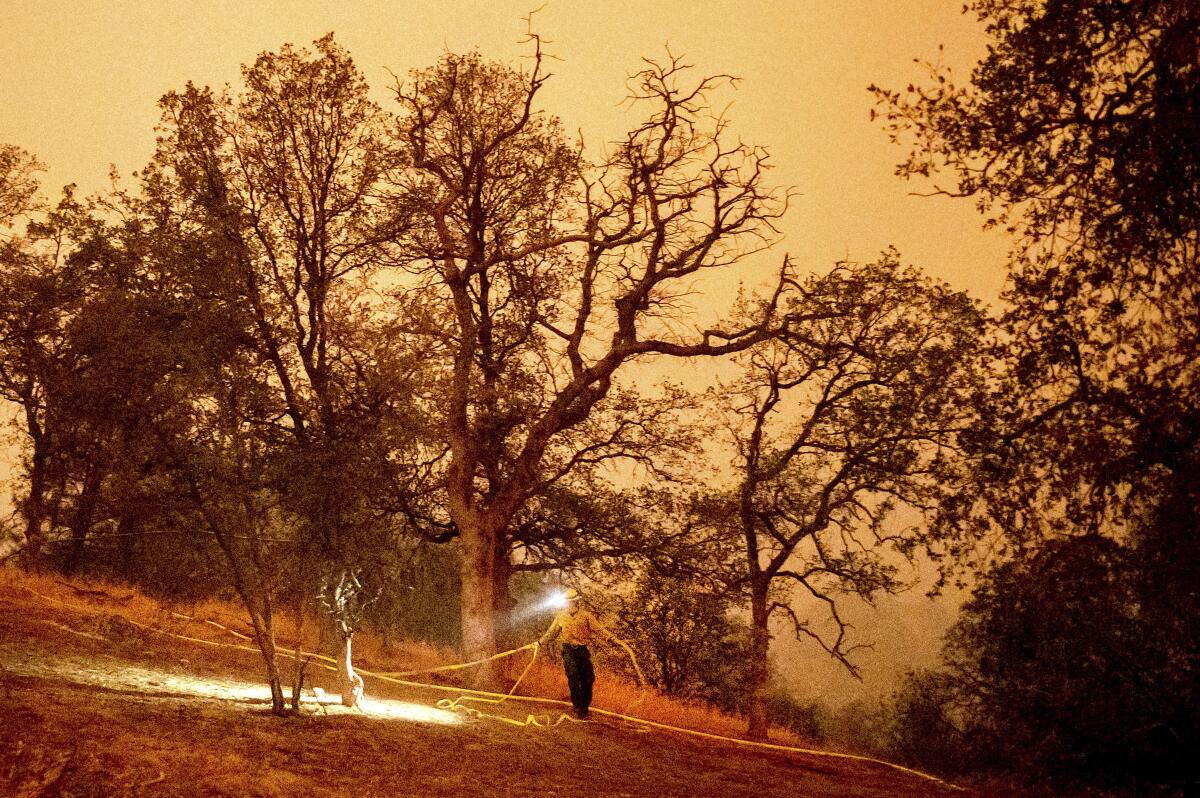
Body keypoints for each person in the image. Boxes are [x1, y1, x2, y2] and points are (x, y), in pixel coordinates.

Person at [538, 587, 624, 719]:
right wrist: (540, 642)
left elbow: (599, 630)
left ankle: (584, 708)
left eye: (572, 601)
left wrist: (612, 638)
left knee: (588, 679)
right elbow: (552, 633)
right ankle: (576, 705)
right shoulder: (560, 616)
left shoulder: (586, 616)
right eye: (567, 602)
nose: (569, 604)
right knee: (572, 675)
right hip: (568, 649)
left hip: (582, 650)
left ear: (576, 602)